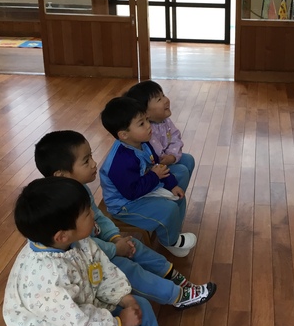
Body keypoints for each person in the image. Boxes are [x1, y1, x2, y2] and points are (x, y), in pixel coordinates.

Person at [34, 130, 216, 309]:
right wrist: (115, 249)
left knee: (134, 246)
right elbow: (83, 246)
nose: (94, 163)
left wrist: (115, 238)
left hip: (101, 247)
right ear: (61, 175)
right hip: (87, 262)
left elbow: (98, 217)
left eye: (91, 156)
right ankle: (177, 296)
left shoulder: (80, 189)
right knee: (127, 269)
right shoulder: (59, 209)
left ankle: (172, 275)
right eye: (86, 161)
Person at [3, 177, 168, 326]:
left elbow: (104, 271)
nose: (93, 213)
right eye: (87, 213)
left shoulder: (77, 240)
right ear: (62, 235)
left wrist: (124, 297)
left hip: (85, 313)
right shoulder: (44, 276)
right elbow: (77, 322)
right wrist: (120, 323)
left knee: (142, 307)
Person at [99, 96, 197, 257]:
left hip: (142, 186)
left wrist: (172, 184)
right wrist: (154, 176)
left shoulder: (143, 142)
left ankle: (170, 227)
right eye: (141, 124)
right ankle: (170, 241)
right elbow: (131, 192)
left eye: (146, 120)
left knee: (177, 193)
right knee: (169, 209)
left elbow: (157, 164)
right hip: (125, 204)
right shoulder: (120, 162)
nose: (148, 126)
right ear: (123, 135)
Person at [124, 81, 196, 192]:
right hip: (153, 167)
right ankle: (171, 195)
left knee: (188, 160)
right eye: (159, 99)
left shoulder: (165, 121)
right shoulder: (145, 129)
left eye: (163, 95)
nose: (166, 100)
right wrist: (166, 159)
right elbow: (154, 156)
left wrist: (172, 156)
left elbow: (175, 138)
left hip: (166, 158)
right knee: (181, 171)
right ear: (145, 113)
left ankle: (177, 193)